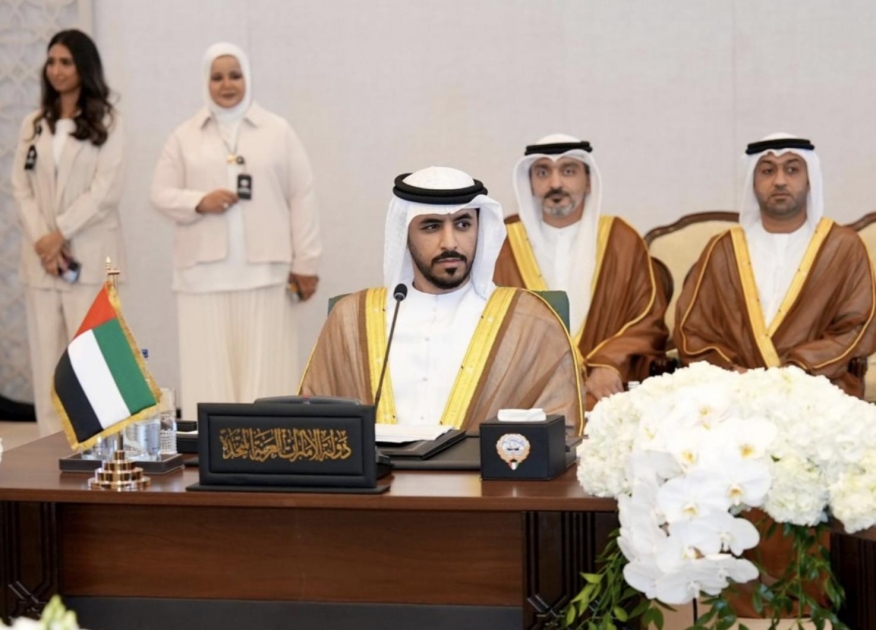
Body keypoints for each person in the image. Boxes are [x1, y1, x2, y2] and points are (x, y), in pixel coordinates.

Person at [300, 166, 583, 434]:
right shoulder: (351, 319)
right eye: (432, 226)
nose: (449, 242)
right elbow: (314, 423)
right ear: (405, 235)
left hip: (487, 472)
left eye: (463, 224)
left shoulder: (529, 321)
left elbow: (561, 430)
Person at [151, 42, 321, 419]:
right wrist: (200, 201)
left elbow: (302, 195)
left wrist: (306, 262)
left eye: (234, 75)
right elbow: (160, 193)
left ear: (247, 78)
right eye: (217, 77)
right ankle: (213, 446)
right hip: (202, 277)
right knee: (207, 373)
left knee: (269, 373)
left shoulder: (277, 131)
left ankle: (270, 445)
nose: (226, 84)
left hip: (266, 273)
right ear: (205, 82)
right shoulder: (184, 136)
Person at [675, 133, 876, 397]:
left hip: (815, 389)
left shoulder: (842, 247)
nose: (780, 181)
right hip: (732, 390)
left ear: (809, 179)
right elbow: (693, 329)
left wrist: (795, 371)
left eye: (792, 170)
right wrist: (733, 372)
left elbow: (857, 326)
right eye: (768, 171)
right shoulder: (723, 249)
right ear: (753, 182)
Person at [494, 134, 668, 409]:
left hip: (605, 392)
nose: (555, 184)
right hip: (525, 392)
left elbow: (647, 319)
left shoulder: (621, 238)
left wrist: (609, 364)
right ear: (530, 184)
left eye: (568, 171)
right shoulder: (502, 243)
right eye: (543, 172)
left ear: (588, 181)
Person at [10, 29, 126, 436]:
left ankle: (99, 447)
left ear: (84, 67)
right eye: (52, 62)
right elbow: (20, 186)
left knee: (92, 360)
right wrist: (45, 240)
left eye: (66, 62)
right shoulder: (34, 123)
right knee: (48, 362)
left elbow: (105, 191)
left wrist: (60, 232)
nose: (56, 70)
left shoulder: (108, 121)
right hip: (43, 262)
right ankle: (48, 447)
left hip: (89, 259)